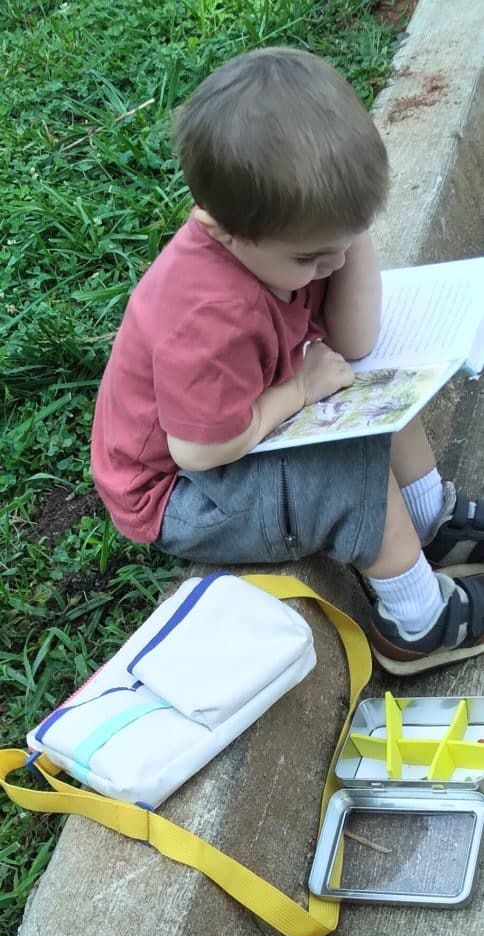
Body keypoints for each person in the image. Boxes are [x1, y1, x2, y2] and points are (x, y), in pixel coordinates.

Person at [91, 47, 484, 676]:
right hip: (184, 491)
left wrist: (344, 242)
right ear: (221, 230)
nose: (327, 269)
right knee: (347, 459)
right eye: (310, 260)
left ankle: (429, 521)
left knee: (376, 386)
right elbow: (197, 450)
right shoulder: (206, 316)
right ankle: (414, 622)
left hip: (234, 435)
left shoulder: (285, 238)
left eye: (344, 244)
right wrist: (300, 388)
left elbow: (356, 343)